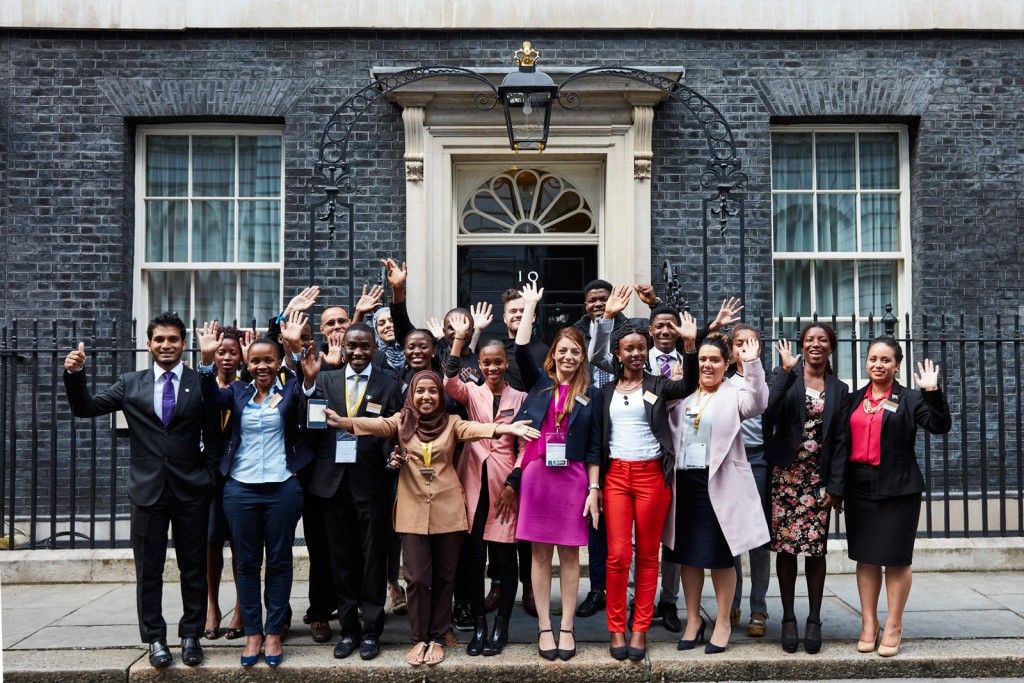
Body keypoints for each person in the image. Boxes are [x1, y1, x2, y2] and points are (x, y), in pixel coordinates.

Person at [325, 371, 539, 667]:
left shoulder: (452, 422)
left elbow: (475, 428)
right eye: (420, 391)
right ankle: (419, 637)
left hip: (448, 511)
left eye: (433, 391)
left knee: (445, 577)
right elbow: (377, 425)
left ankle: (437, 636)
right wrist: (346, 422)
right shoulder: (402, 422)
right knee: (416, 578)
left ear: (441, 396)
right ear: (411, 395)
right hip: (412, 511)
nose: (426, 397)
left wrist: (508, 429)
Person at [63, 312, 218, 669]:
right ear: (149, 344)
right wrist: (74, 373)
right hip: (148, 491)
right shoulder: (131, 383)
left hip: (191, 489)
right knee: (149, 569)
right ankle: (155, 639)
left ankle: (191, 634)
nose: (166, 345)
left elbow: (214, 428)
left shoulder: (198, 381)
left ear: (184, 344)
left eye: (173, 340)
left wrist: (207, 474)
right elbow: (85, 408)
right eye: (160, 340)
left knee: (193, 567)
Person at [587, 284, 698, 661]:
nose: (635, 353)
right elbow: (595, 353)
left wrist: (690, 347)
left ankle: (639, 630)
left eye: (639, 347)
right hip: (616, 477)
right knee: (618, 556)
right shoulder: (606, 391)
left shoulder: (659, 385)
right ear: (619, 354)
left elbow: (690, 384)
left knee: (648, 555)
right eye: (628, 348)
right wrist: (606, 319)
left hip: (653, 477)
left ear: (647, 348)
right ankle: (616, 629)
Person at [197, 320, 316, 668]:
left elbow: (308, 393)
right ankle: (252, 633)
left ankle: (274, 632)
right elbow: (209, 398)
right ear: (247, 365)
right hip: (240, 489)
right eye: (255, 361)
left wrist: (296, 352)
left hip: (282, 488)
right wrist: (207, 362)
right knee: (247, 564)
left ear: (277, 363)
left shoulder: (291, 388)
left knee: (279, 561)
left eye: (268, 360)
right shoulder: (237, 392)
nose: (261, 366)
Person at [303, 322, 404, 661]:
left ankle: (372, 631)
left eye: (365, 346)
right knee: (341, 560)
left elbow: (391, 430)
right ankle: (349, 630)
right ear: (343, 347)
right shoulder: (325, 380)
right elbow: (312, 426)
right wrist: (308, 383)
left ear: (374, 348)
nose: (358, 352)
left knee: (374, 559)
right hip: (332, 485)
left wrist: (392, 452)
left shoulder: (388, 385)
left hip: (371, 483)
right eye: (352, 346)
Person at [513, 282, 603, 662]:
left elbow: (597, 444)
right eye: (562, 350)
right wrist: (531, 306)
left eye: (575, 351)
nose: (568, 356)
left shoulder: (592, 393)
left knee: (569, 557)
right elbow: (519, 349)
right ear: (553, 355)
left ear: (582, 357)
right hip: (537, 478)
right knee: (538, 556)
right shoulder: (539, 384)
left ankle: (566, 627)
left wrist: (594, 489)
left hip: (574, 479)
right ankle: (543, 628)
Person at [846, 337, 951, 657]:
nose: (878, 365)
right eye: (873, 359)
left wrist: (932, 392)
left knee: (895, 557)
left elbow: (939, 425)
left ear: (897, 365)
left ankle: (893, 624)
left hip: (899, 487)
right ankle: (868, 623)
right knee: (865, 556)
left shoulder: (910, 398)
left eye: (886, 360)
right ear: (866, 362)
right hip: (859, 486)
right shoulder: (852, 399)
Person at [666, 335, 768, 654]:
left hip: (719, 483)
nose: (707, 365)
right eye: (703, 360)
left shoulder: (735, 392)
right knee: (689, 557)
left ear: (726, 365)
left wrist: (751, 365)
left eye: (714, 360)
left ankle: (723, 621)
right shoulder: (683, 394)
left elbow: (758, 402)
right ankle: (694, 620)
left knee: (721, 559)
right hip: (685, 483)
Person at [444, 313, 528, 656]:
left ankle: (501, 627)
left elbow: (525, 447)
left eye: (498, 363)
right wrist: (461, 339)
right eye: (486, 363)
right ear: (479, 364)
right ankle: (479, 625)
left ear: (506, 363)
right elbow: (448, 381)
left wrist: (514, 481)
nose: (492, 368)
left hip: (505, 488)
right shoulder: (471, 393)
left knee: (505, 561)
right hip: (471, 484)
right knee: (473, 560)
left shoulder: (520, 398)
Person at [764, 324, 849, 654]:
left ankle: (814, 620)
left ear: (832, 348)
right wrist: (785, 374)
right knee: (786, 550)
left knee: (816, 550)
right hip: (786, 477)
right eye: (809, 340)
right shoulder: (785, 377)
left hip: (818, 481)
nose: (816, 344)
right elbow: (766, 413)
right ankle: (788, 618)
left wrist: (837, 486)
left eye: (822, 340)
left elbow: (842, 441)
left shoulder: (840, 389)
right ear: (801, 346)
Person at [727, 323, 773, 638]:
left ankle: (758, 607)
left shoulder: (766, 381)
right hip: (730, 460)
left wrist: (753, 367)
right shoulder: (724, 382)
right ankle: (732, 601)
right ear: (731, 351)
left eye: (751, 343)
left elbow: (759, 403)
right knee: (731, 536)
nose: (745, 348)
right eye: (739, 343)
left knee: (757, 538)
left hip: (758, 459)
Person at [204, 325, 248, 642]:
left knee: (240, 545)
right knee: (210, 543)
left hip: (240, 475)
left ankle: (240, 608)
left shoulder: (250, 388)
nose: (228, 357)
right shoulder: (201, 384)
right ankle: (211, 607)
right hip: (208, 478)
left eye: (233, 352)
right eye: (222, 352)